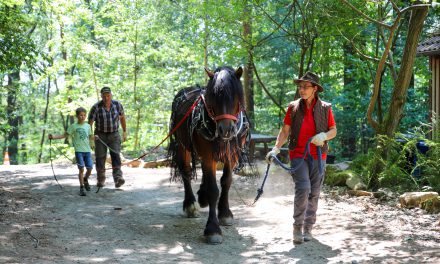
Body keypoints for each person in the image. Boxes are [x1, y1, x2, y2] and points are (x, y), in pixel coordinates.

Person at [265, 71, 337, 244]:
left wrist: (324, 136)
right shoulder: (293, 107)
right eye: (300, 86)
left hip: (319, 156)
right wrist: (276, 149)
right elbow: (285, 131)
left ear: (315, 89)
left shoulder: (326, 108)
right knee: (303, 188)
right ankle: (297, 228)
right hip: (298, 154)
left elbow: (334, 131)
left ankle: (308, 228)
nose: (302, 90)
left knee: (314, 192)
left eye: (306, 87)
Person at [49, 107, 94, 196]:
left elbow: (90, 137)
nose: (83, 117)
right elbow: (64, 135)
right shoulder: (73, 126)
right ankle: (81, 188)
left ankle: (85, 179)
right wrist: (53, 137)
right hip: (79, 151)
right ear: (77, 116)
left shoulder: (88, 126)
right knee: (81, 169)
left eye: (84, 115)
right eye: (81, 115)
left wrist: (95, 138)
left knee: (89, 168)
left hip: (87, 151)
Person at [88, 87, 127, 189]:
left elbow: (122, 118)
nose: (106, 98)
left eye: (108, 95)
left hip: (114, 134)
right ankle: (101, 179)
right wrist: (90, 137)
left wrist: (124, 131)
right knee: (100, 157)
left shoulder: (117, 105)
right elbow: (90, 124)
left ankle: (118, 178)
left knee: (116, 155)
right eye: (104, 96)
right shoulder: (96, 107)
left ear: (111, 95)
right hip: (100, 135)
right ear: (101, 96)